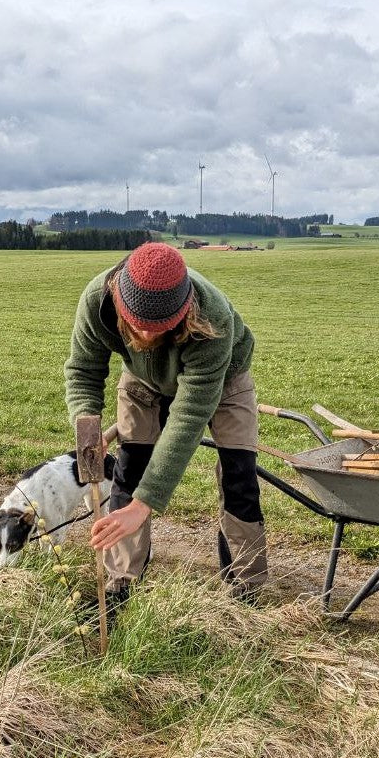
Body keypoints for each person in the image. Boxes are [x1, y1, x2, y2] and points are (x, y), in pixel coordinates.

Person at [64, 241, 267, 605]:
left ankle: (245, 585)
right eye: (138, 328)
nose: (146, 338)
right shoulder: (97, 302)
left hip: (225, 381)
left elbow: (187, 418)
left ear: (184, 311)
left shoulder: (212, 319)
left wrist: (146, 503)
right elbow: (83, 371)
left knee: (240, 474)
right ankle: (122, 581)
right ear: (120, 302)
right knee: (131, 469)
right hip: (141, 380)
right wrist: (88, 429)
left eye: (159, 330)